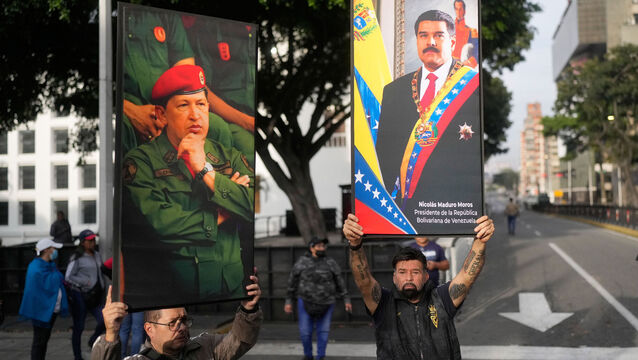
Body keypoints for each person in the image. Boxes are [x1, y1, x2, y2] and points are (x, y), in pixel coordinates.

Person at [121, 64, 254, 307]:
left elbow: (250, 204)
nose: (195, 115)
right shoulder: (141, 162)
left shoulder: (229, 155)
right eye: (184, 105)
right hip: (176, 301)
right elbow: (161, 225)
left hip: (231, 293)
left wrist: (205, 169)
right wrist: (223, 213)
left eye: (201, 104)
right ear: (161, 114)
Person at [375, 10, 481, 229]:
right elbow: (385, 154)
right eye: (423, 35)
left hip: (454, 209)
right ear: (417, 41)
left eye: (438, 35)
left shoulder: (473, 87)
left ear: (452, 42)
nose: (430, 42)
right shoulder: (394, 91)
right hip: (406, 209)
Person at [343, 213, 494, 359]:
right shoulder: (382, 303)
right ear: (394, 277)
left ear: (426, 276)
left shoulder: (442, 299)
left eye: (415, 272)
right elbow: (364, 281)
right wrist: (355, 245)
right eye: (402, 272)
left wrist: (480, 241)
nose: (408, 277)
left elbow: (468, 276)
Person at [121, 8, 254, 159]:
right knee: (124, 128)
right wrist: (129, 109)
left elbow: (187, 73)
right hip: (127, 105)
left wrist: (171, 112)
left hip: (167, 105)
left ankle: (217, 181)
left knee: (217, 127)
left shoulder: (164, 15)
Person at [91, 273, 263, 359]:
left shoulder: (205, 348)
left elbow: (240, 341)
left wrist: (248, 310)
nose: (181, 328)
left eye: (183, 320)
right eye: (172, 323)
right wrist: (111, 333)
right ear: (150, 329)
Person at [284, 237, 352, 360]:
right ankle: (308, 356)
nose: (322, 248)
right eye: (319, 246)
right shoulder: (302, 262)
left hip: (327, 303)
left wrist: (346, 299)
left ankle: (320, 356)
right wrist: (288, 301)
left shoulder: (330, 262)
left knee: (323, 333)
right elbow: (292, 282)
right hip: (305, 301)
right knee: (305, 333)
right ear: (311, 248)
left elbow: (340, 282)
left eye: (323, 246)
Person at [19, 238, 69, 360]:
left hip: (51, 310)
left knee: (44, 340)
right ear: (47, 250)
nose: (55, 251)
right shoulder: (35, 267)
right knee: (39, 341)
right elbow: (35, 291)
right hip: (40, 311)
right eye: (54, 248)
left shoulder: (50, 266)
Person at [65, 229, 106, 360]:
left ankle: (92, 340)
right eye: (90, 240)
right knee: (79, 327)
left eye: (94, 240)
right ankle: (78, 356)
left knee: (104, 320)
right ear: (83, 242)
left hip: (96, 296)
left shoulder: (97, 255)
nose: (93, 242)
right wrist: (85, 282)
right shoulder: (77, 257)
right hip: (81, 296)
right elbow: (68, 276)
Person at [452, 0, 478, 68]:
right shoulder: (448, 29)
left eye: (460, 9)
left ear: (464, 11)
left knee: (467, 47)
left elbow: (477, 50)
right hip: (448, 64)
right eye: (456, 9)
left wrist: (469, 62)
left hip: (463, 65)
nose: (458, 12)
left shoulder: (472, 31)